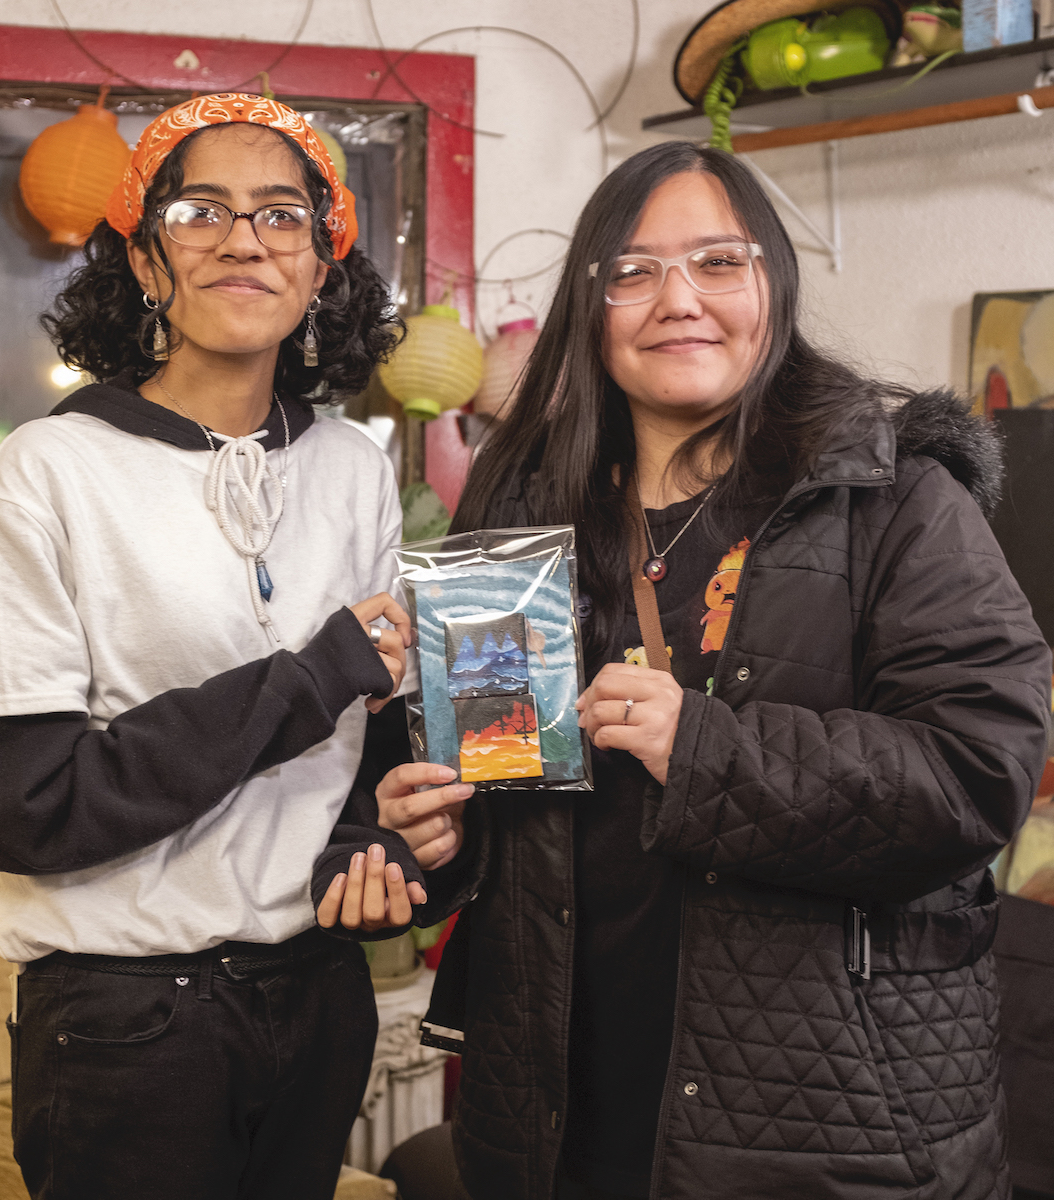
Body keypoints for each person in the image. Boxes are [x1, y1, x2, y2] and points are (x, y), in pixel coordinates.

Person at [314, 141, 1052, 1200]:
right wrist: (426, 836)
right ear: (593, 303)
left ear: (771, 286)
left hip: (821, 1133)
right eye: (634, 270)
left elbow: (977, 774)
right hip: (554, 1118)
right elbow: (493, 778)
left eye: (717, 262)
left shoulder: (891, 498)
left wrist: (702, 748)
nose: (678, 300)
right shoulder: (519, 509)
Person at [0, 93, 422, 1200]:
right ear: (148, 261)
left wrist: (371, 846)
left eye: (283, 215)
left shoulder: (352, 469)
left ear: (321, 266)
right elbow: (9, 806)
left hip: (317, 997)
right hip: (126, 1023)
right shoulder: (53, 469)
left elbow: (375, 740)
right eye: (202, 211)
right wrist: (310, 677)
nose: (245, 240)